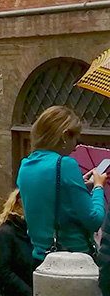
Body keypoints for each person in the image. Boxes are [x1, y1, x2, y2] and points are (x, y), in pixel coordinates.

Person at [17, 105, 106, 262]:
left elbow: (47, 201)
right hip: (72, 259)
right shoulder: (66, 164)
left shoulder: (25, 165)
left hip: (40, 258)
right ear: (65, 136)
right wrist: (98, 186)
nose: (75, 146)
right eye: (75, 138)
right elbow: (93, 219)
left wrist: (80, 187)